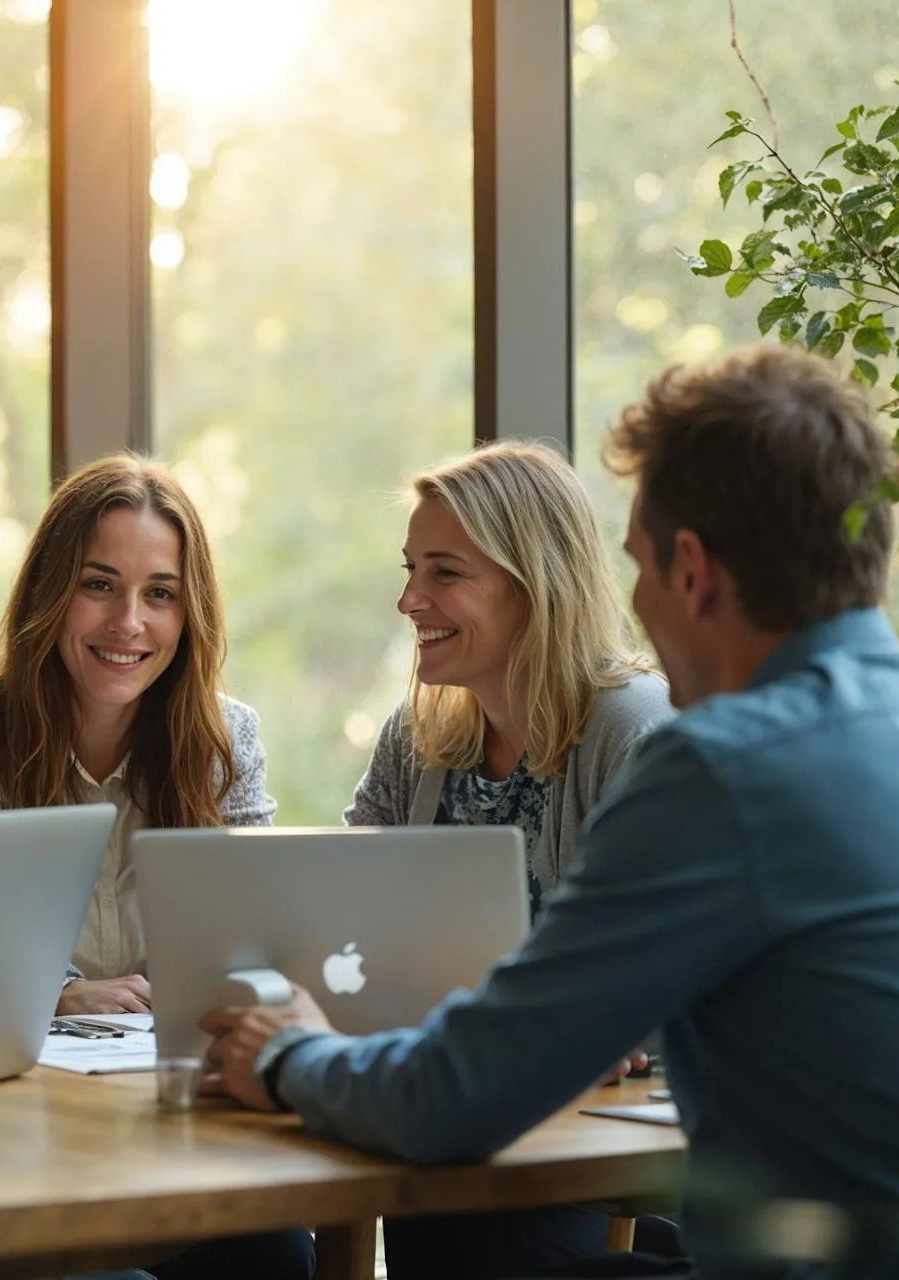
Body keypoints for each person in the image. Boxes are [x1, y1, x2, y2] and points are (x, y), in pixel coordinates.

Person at [199, 345, 899, 1280]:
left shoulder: (722, 769)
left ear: (691, 571)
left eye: (640, 569)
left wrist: (287, 1055)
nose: (637, 606)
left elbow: (456, 1099)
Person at [0, 454, 314, 1280]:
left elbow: (266, 944)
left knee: (280, 1254)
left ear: (189, 613)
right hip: (2, 1137)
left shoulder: (224, 742)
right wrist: (54, 992)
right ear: (50, 592)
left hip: (172, 1125)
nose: (128, 622)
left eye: (160, 594)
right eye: (99, 585)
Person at [343, 440, 674, 1275]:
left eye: (443, 573)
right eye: (410, 569)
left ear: (534, 583)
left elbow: (673, 977)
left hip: (592, 1156)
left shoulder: (635, 732)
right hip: (455, 1121)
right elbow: (339, 913)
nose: (409, 600)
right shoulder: (419, 735)